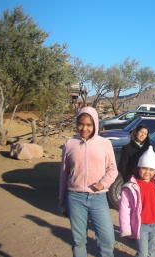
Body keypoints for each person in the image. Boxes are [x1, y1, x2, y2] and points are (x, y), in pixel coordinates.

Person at [59, 106, 118, 257]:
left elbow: (113, 169)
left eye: (89, 125)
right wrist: (62, 201)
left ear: (95, 125)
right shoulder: (69, 144)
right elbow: (64, 175)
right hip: (75, 197)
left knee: (107, 239)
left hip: (98, 198)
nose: (84, 128)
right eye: (81, 124)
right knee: (78, 241)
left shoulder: (105, 143)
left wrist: (103, 183)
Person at [119, 146, 155, 257]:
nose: (147, 172)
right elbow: (124, 209)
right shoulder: (131, 187)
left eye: (151, 169)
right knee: (143, 253)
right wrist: (125, 228)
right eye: (144, 168)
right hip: (141, 226)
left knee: (152, 251)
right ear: (138, 168)